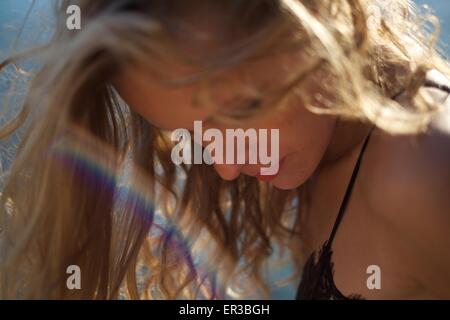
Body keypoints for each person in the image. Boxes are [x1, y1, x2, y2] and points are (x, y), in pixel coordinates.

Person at [0, 0, 449, 299]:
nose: (228, 167)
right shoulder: (327, 150)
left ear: (315, 22)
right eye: (195, 137)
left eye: (241, 109)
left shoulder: (424, 167)